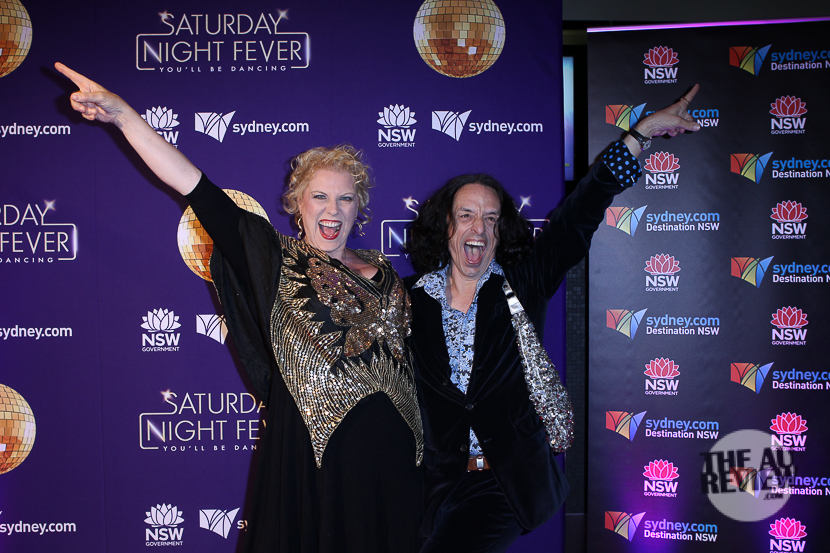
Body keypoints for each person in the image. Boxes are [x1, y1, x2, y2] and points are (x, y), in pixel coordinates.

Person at [55, 63, 423, 553]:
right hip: (315, 459)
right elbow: (195, 186)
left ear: (360, 208)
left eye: (345, 198)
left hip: (395, 460)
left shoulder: (389, 273)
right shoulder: (273, 258)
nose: (332, 210)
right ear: (297, 204)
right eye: (319, 196)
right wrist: (123, 115)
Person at [405, 86, 701, 553]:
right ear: (446, 226)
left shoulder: (524, 282)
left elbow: (578, 213)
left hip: (503, 485)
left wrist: (641, 134)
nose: (479, 228)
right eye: (466, 215)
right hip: (432, 487)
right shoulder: (409, 300)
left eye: (491, 219)